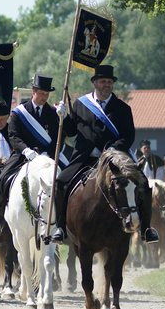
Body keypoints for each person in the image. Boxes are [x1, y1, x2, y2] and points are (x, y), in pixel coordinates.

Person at [49, 64, 158, 244]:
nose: (106, 85)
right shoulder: (81, 104)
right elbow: (71, 131)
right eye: (102, 81)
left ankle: (146, 228)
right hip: (86, 157)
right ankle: (60, 227)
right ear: (95, 83)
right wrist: (63, 116)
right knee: (61, 181)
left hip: (115, 158)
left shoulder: (123, 108)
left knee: (143, 182)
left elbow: (128, 136)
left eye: (109, 82)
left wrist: (111, 151)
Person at [0, 73, 75, 234]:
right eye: (41, 93)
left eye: (46, 94)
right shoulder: (19, 113)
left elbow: (67, 134)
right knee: (2, 177)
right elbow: (13, 136)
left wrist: (65, 117)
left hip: (48, 156)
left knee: (67, 181)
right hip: (24, 155)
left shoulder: (54, 113)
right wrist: (26, 150)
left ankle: (63, 223)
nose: (44, 97)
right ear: (33, 91)